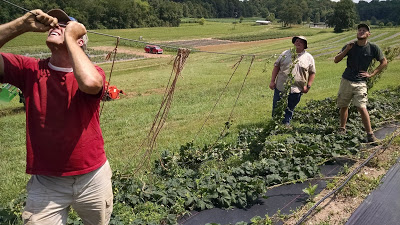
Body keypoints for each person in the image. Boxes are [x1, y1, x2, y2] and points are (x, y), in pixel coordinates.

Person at [0, 9, 113, 224]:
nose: (56, 26)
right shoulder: (29, 70)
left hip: (93, 177)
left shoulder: (94, 72)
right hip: (47, 182)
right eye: (56, 23)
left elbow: (90, 84)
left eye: (64, 24)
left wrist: (70, 36)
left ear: (79, 41)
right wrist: (22, 25)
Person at [334, 23, 387, 142]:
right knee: (343, 106)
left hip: (360, 82)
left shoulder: (373, 48)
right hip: (346, 80)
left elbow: (384, 62)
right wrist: (347, 49)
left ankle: (370, 135)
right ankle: (342, 129)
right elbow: (336, 60)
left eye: (364, 30)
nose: (361, 31)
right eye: (359, 30)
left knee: (362, 107)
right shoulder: (350, 45)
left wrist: (372, 73)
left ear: (369, 34)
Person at [269, 36, 316, 125]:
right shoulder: (285, 54)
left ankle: (286, 123)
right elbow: (276, 67)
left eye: (301, 42)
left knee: (290, 107)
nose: (298, 43)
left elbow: (312, 73)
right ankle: (274, 123)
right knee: (277, 106)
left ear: (305, 45)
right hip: (281, 86)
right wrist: (272, 81)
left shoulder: (308, 57)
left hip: (297, 88)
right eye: (296, 41)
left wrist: (308, 86)